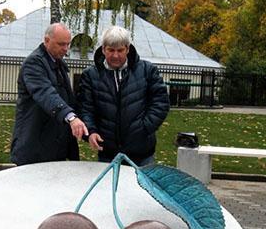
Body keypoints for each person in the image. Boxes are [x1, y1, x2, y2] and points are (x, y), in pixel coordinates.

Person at [78, 25, 169, 166]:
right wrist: (91, 131)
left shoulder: (147, 70)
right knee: (109, 188)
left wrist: (144, 128)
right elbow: (85, 108)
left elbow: (161, 103)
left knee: (141, 188)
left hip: (142, 152)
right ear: (103, 49)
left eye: (120, 50)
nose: (115, 55)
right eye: (111, 50)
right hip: (108, 153)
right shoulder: (90, 75)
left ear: (127, 48)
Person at [10, 23, 88, 165]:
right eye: (61, 44)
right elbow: (46, 94)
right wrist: (70, 117)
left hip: (55, 146)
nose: (65, 49)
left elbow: (68, 100)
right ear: (46, 41)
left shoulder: (58, 63)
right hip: (35, 146)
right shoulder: (33, 63)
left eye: (68, 44)